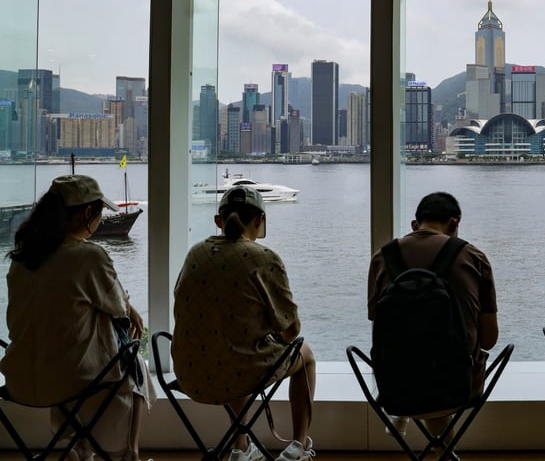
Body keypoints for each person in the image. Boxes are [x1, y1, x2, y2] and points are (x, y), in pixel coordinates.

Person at [2, 174, 153, 461]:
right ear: (87, 214)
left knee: (63, 340)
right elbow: (117, 307)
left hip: (19, 379)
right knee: (134, 359)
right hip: (70, 381)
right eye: (99, 213)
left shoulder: (21, 260)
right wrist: (129, 308)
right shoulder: (88, 257)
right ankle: (129, 454)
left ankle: (76, 445)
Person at [172, 185, 316, 461]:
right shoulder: (264, 258)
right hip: (239, 370)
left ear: (218, 221)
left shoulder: (196, 253)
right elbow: (292, 330)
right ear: (260, 219)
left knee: (231, 343)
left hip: (190, 375)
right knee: (305, 355)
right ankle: (299, 446)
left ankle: (240, 446)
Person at [366, 191, 499, 449]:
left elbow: (377, 322)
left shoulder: (383, 257)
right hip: (458, 388)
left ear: (414, 225)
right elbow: (490, 340)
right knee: (449, 354)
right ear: (454, 223)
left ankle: (406, 416)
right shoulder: (474, 257)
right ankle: (443, 446)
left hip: (395, 386)